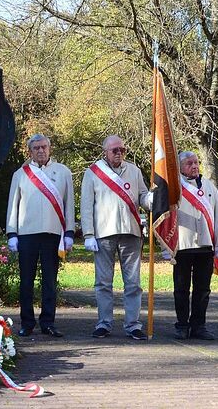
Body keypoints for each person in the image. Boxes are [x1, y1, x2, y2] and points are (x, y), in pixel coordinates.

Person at [81, 135, 152, 340]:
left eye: (122, 149)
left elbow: (143, 197)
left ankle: (133, 324)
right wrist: (88, 234)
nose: (119, 153)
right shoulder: (93, 173)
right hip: (104, 233)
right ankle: (104, 323)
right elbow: (86, 206)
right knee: (103, 282)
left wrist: (151, 199)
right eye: (115, 150)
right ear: (105, 151)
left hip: (131, 232)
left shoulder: (134, 171)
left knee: (133, 282)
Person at [5, 134, 75, 337]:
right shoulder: (20, 174)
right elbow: (13, 205)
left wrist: (69, 232)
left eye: (44, 147)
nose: (41, 151)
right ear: (30, 151)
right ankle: (27, 322)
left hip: (53, 234)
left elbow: (68, 204)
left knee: (50, 281)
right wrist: (12, 233)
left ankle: (48, 322)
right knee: (26, 280)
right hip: (27, 234)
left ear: (49, 148)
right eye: (36, 148)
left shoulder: (63, 172)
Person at [172, 151, 218, 340]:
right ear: (180, 167)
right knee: (181, 288)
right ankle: (181, 325)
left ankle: (199, 325)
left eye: (196, 162)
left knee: (203, 289)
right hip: (182, 245)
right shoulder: (174, 187)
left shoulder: (210, 186)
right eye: (189, 163)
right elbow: (166, 218)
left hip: (206, 245)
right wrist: (166, 246)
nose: (194, 166)